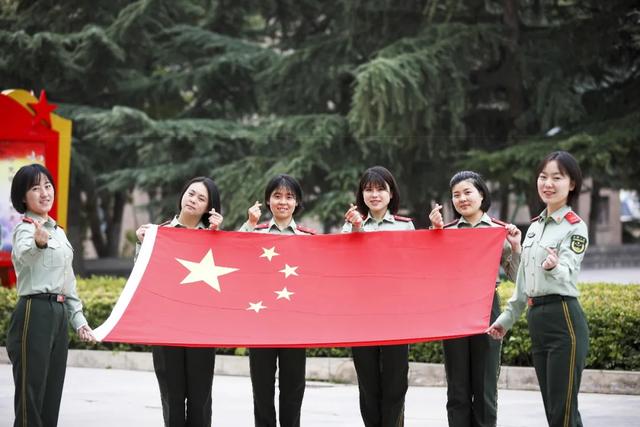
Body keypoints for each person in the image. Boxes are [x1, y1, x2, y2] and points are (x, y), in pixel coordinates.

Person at [486, 151, 589, 427]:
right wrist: (506, 319)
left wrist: (554, 266)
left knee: (563, 413)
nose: (548, 184)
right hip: (537, 319)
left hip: (563, 318)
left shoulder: (575, 227)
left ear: (572, 184)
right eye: (543, 177)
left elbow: (568, 271)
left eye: (557, 178)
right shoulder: (533, 228)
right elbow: (523, 282)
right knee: (552, 409)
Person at [428, 171, 521, 427]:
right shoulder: (444, 232)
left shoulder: (500, 232)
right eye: (456, 195)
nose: (462, 199)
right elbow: (431, 272)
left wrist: (515, 247)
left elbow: (517, 277)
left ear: (481, 194)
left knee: (485, 385)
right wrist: (434, 236)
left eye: (467, 192)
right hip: (454, 309)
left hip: (487, 307)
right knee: (457, 387)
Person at [7, 163, 95, 427]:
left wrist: (79, 321)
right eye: (36, 188)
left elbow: (68, 282)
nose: (45, 193)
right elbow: (24, 257)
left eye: (47, 186)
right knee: (31, 394)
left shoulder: (59, 232)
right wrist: (38, 243)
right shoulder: (25, 230)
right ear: (24, 197)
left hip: (58, 314)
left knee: (51, 392)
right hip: (34, 311)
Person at [136, 176, 223, 427]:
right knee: (171, 398)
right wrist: (141, 245)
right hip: (165, 329)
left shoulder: (215, 238)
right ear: (183, 194)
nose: (193, 200)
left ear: (209, 208)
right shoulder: (158, 233)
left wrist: (218, 237)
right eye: (191, 193)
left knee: (200, 400)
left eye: (201, 198)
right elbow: (141, 277)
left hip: (201, 330)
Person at [238, 174, 316, 427]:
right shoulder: (254, 232)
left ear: (297, 202)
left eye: (289, 197)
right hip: (261, 322)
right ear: (268, 200)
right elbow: (233, 255)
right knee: (262, 389)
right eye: (277, 196)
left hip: (295, 325)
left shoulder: (308, 238)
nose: (283, 202)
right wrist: (249, 224)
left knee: (293, 389)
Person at [342, 165, 414, 427]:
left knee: (396, 382)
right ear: (361, 194)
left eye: (380, 189)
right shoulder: (350, 227)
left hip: (396, 315)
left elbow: (414, 268)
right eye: (368, 189)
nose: (374, 195)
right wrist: (356, 229)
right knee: (368, 383)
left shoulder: (406, 227)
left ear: (391, 193)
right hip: (362, 315)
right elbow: (345, 263)